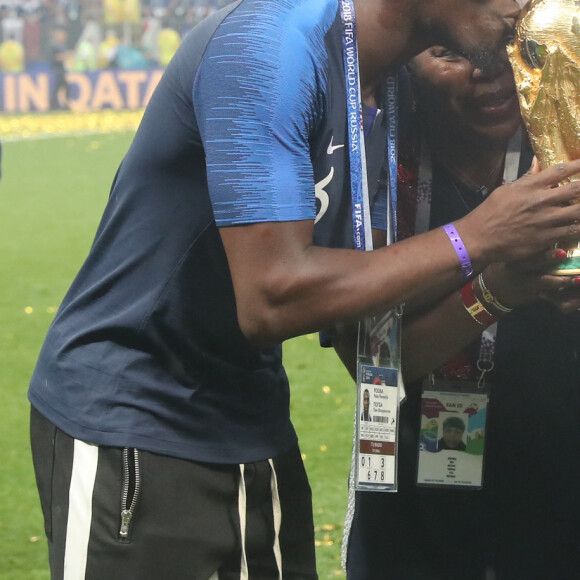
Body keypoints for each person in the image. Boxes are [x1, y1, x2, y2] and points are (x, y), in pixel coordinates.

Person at [28, 1, 580, 578]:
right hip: (136, 419)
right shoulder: (271, 47)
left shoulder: (383, 94)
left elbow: (375, 344)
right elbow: (270, 297)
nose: (521, 4)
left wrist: (499, 285)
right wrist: (477, 236)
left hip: (252, 420)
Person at [344, 42, 580, 580]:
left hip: (559, 486)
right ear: (405, 63)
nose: (491, 70)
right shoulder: (379, 172)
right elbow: (374, 367)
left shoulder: (566, 148)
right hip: (414, 509)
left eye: (512, 45)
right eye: (449, 52)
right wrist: (494, 290)